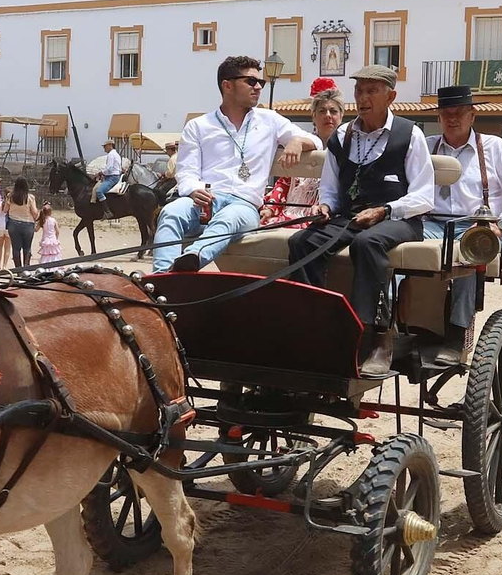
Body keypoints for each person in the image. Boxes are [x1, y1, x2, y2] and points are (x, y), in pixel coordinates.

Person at [287, 64, 434, 375]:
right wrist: (324, 207)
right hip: (350, 216)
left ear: (390, 96)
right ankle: (315, 326)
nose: (363, 97)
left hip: (400, 219)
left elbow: (424, 197)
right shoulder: (342, 136)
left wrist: (385, 211)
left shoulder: (410, 134)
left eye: (371, 91)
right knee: (302, 241)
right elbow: (329, 187)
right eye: (359, 90)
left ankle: (377, 337)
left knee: (368, 244)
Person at [154, 54, 320, 273]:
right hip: (205, 201)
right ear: (227, 85)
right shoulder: (198, 126)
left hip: (245, 206)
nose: (258, 87)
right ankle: (161, 279)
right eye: (251, 81)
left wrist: (298, 141)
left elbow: (316, 140)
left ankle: (190, 260)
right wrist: (194, 189)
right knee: (171, 212)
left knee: (228, 219)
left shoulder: (270, 120)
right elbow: (186, 172)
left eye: (261, 82)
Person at [425, 85, 502, 345]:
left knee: (466, 253)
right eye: (446, 113)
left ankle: (457, 332)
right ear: (438, 117)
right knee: (400, 248)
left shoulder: (495, 148)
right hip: (431, 223)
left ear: (472, 116)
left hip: (476, 227)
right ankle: (398, 321)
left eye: (460, 112)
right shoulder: (427, 147)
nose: (452, 118)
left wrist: (500, 224)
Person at [261, 80, 336, 224]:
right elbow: (285, 182)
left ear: (341, 115)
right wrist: (270, 208)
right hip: (292, 211)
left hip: (322, 215)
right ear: (313, 117)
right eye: (322, 111)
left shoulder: (347, 149)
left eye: (333, 111)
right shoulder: (302, 145)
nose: (328, 115)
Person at [5, 177, 40, 268]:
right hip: (27, 224)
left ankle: (18, 270)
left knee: (16, 249)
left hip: (13, 223)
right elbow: (35, 214)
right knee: (27, 248)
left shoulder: (10, 196)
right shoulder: (30, 197)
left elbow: (5, 210)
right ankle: (26, 268)